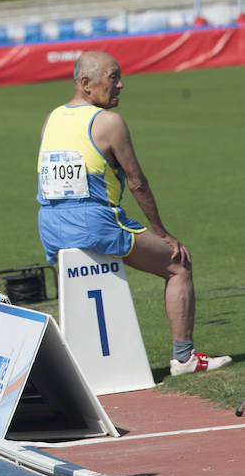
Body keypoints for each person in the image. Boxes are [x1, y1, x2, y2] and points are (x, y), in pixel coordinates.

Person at [36, 50, 231, 376]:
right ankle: (184, 358)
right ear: (86, 83)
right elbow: (138, 183)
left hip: (51, 225)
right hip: (93, 222)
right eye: (113, 78)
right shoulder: (108, 122)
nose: (121, 85)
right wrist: (163, 233)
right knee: (179, 264)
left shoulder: (51, 118)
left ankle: (81, 365)